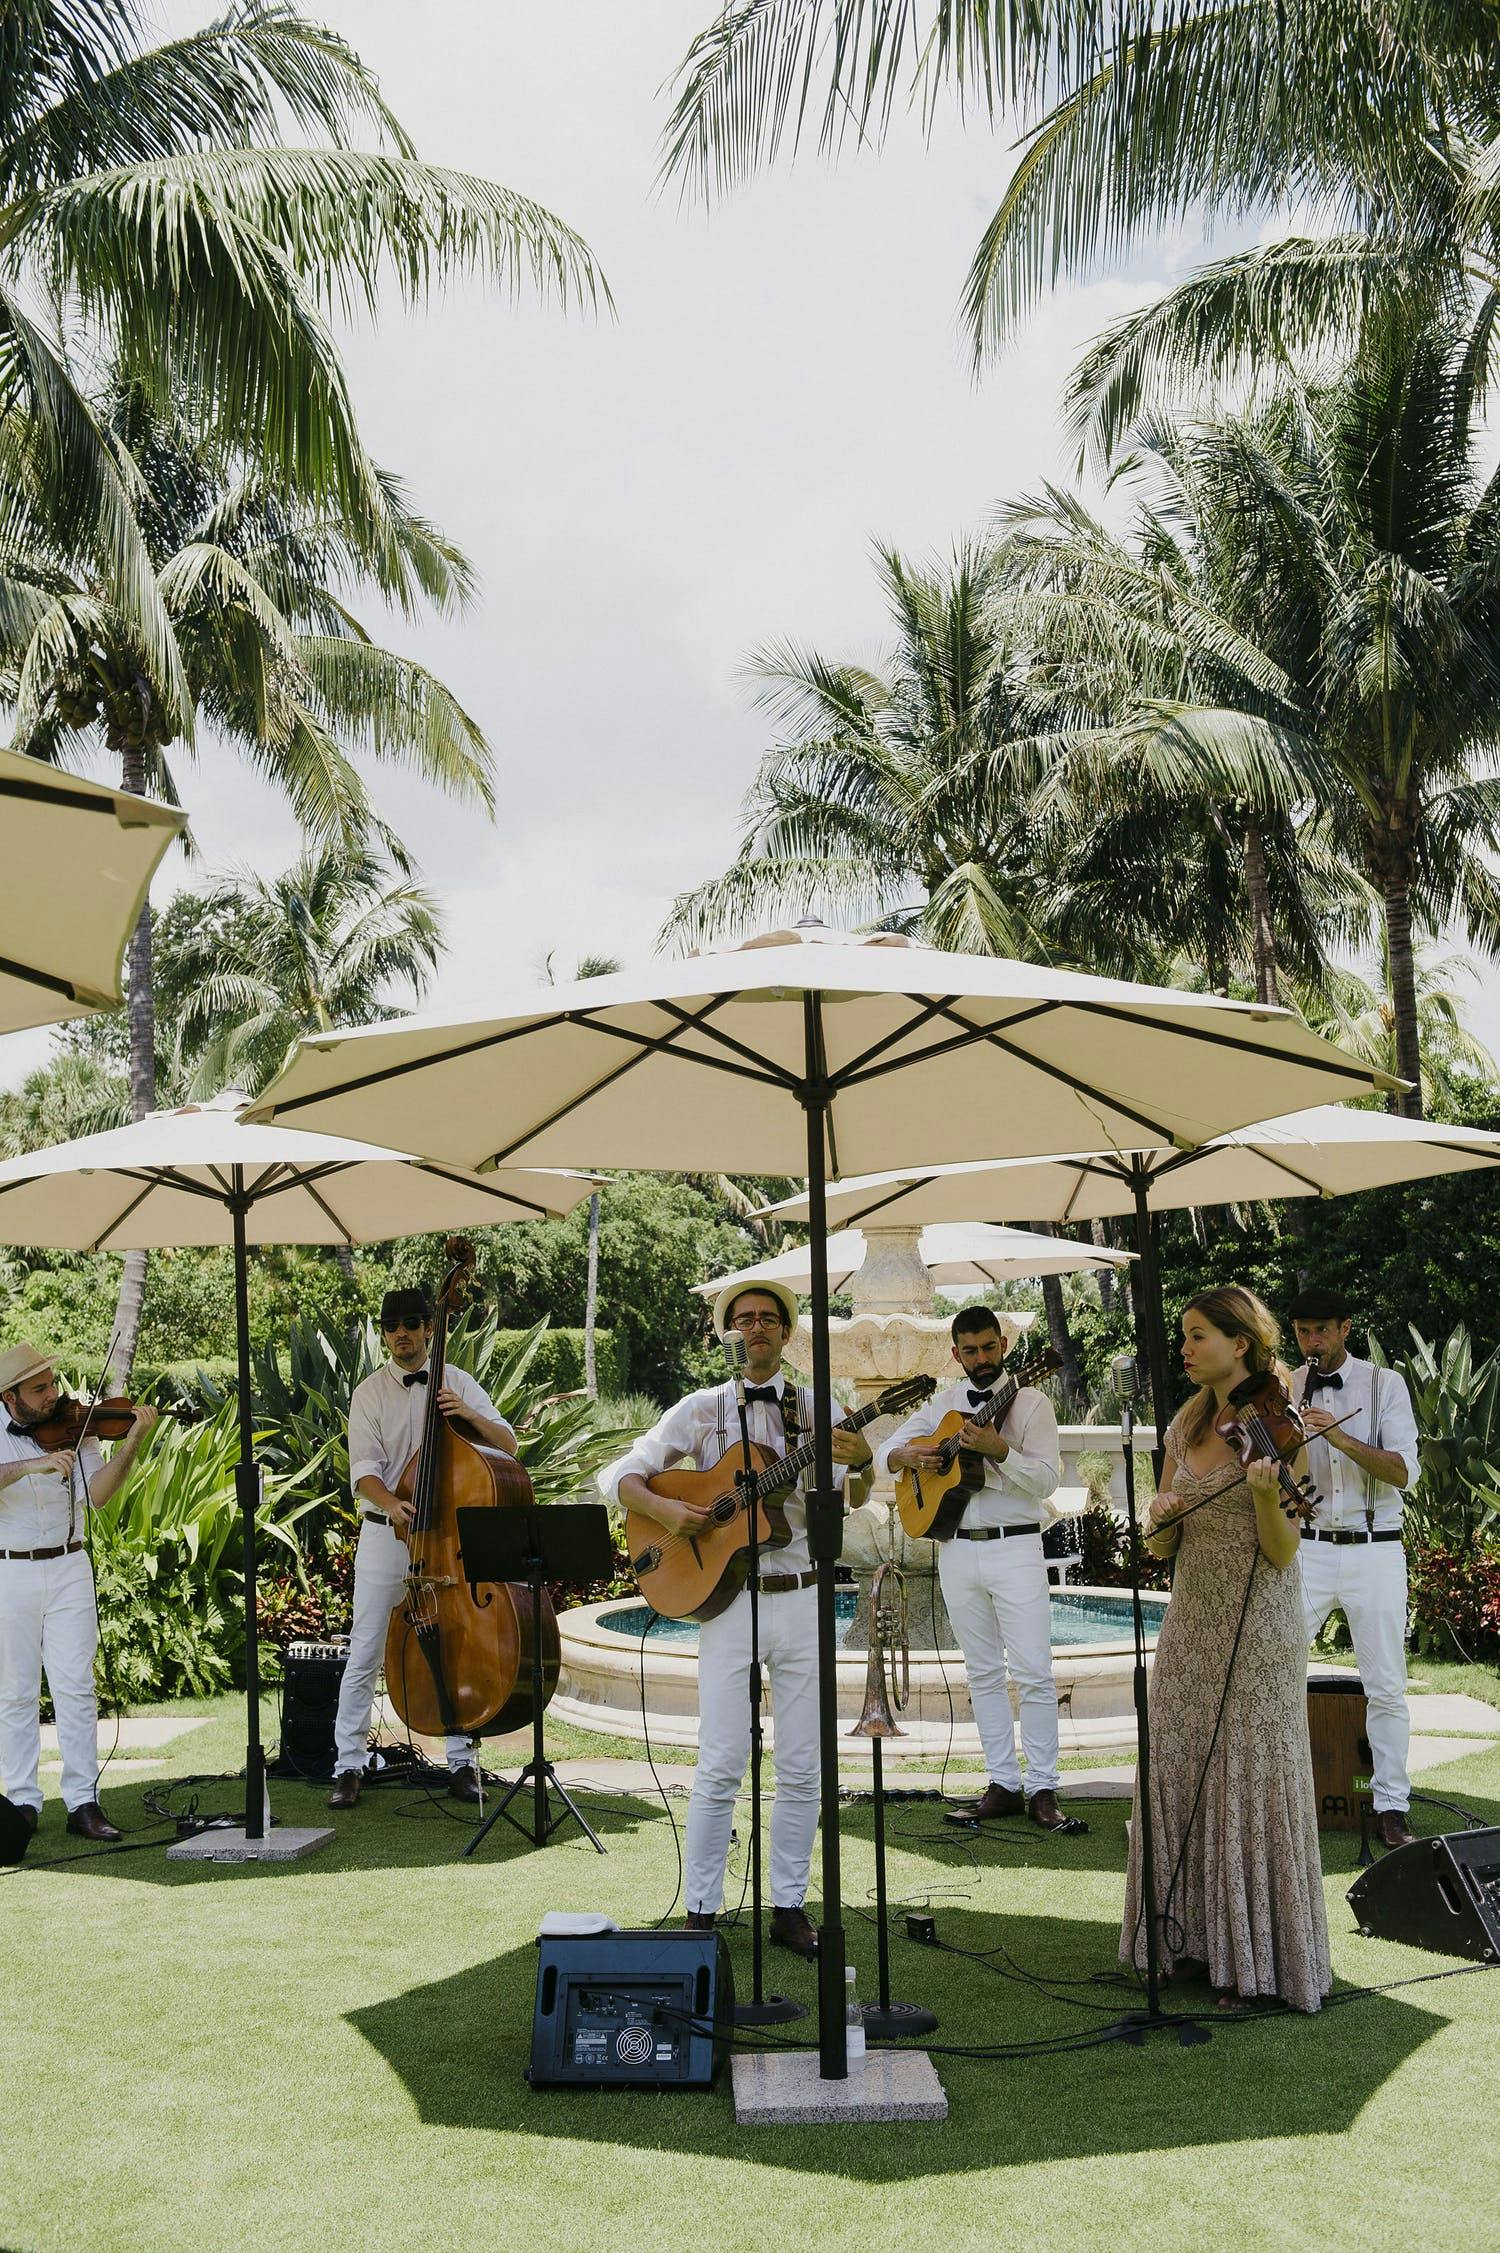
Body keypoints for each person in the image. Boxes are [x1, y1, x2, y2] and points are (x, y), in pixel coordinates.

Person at [599, 1281, 873, 1958]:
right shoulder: (702, 1408)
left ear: (785, 1333)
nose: (755, 1328)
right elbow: (621, 1475)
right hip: (728, 1600)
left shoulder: (818, 1408)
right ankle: (701, 1909)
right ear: (730, 1333)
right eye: (744, 1319)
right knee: (721, 1758)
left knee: (805, 1764)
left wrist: (863, 1465)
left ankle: (788, 1904)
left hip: (804, 1595)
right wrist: (667, 1512)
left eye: (767, 1319)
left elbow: (854, 1498)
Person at [1121, 1286, 1331, 2012]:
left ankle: (1257, 1963)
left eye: (1199, 1334)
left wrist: (1270, 1497)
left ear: (1242, 1342)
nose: (1185, 1346)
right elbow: (1159, 1550)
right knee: (1178, 1759)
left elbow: (1281, 1553)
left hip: (1258, 1622)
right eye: (1184, 1334)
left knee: (1247, 1773)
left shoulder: (1282, 1422)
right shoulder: (1184, 1424)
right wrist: (1159, 1515)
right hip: (1190, 1621)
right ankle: (1184, 1941)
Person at [879, 1305, 1079, 1834]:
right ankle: (1003, 1783)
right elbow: (885, 1453)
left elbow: (1047, 1482)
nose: (981, 1358)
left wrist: (1000, 1452)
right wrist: (910, 1459)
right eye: (970, 1351)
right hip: (957, 1550)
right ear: (956, 1354)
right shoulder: (945, 1405)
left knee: (1034, 1671)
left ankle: (1042, 1788)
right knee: (983, 1673)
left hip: (1015, 1548)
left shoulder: (1033, 1402)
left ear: (1005, 1346)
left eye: (989, 1347)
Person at [327, 1285, 519, 1810]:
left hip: (445, 1538)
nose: (402, 1335)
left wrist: (468, 1414)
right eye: (393, 1326)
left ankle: (462, 1762)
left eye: (412, 1323)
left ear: (430, 1328)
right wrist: (392, 1504)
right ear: (384, 1332)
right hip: (386, 1531)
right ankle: (348, 1765)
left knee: (457, 1639)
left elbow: (508, 1446)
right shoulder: (369, 1392)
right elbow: (363, 1472)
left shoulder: (457, 1380)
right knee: (365, 1647)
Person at [0, 1341, 157, 1842]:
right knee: (16, 1692)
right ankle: (23, 1800)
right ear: (11, 1398)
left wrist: (132, 1440)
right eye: (39, 1388)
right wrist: (31, 1466)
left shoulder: (77, 1422)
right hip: (10, 1570)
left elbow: (100, 1496)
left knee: (75, 1687)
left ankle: (83, 1802)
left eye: (52, 1383)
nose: (53, 1395)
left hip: (70, 1564)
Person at [1289, 1282, 1421, 1851]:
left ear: (1345, 1328)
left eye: (1322, 1330)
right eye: (1302, 1331)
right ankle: (1284, 1798)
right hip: (1308, 1548)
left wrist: (1337, 1437)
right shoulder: (1285, 1385)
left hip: (1376, 1546)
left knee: (1386, 1683)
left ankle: (1392, 1804)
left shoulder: (1384, 1384)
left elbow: (1402, 1472)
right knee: (1277, 1673)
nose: (1312, 1341)